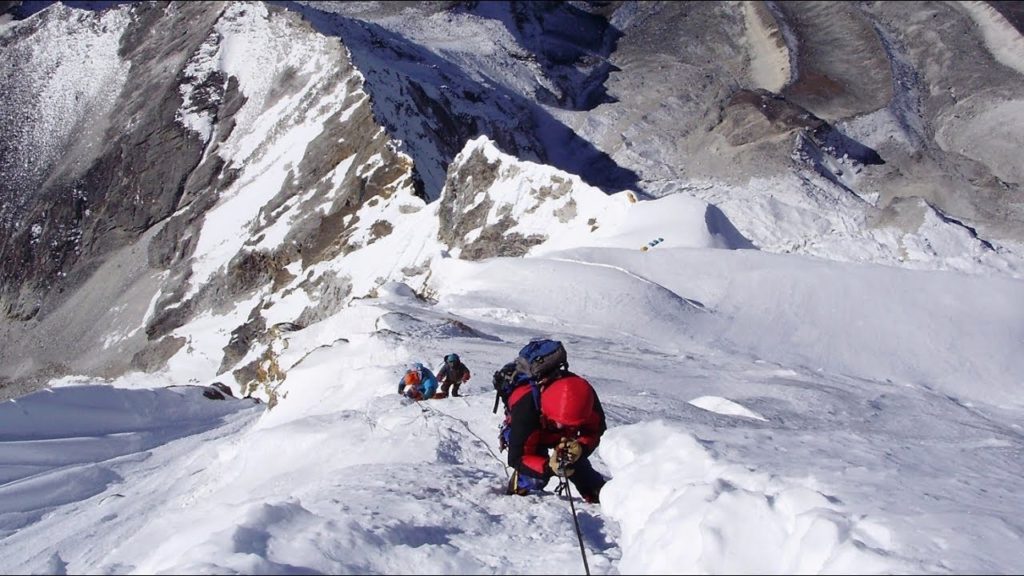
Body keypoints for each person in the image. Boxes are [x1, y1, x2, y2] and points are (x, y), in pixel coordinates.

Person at [504, 342, 607, 504]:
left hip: (552, 430)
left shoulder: (584, 396)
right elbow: (517, 457)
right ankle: (520, 485)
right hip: (532, 432)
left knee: (575, 462)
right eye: (559, 422)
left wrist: (581, 448)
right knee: (536, 477)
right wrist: (548, 468)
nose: (561, 427)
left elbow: (595, 430)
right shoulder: (526, 408)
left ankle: (600, 494)